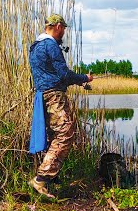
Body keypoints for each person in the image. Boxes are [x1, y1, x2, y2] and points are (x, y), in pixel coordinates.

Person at [28, 13, 93, 198]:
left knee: (54, 135)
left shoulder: (35, 46)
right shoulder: (50, 45)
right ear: (57, 26)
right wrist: (84, 78)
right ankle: (41, 179)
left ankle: (52, 178)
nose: (64, 32)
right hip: (54, 95)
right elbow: (64, 74)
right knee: (66, 132)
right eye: (63, 28)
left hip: (42, 96)